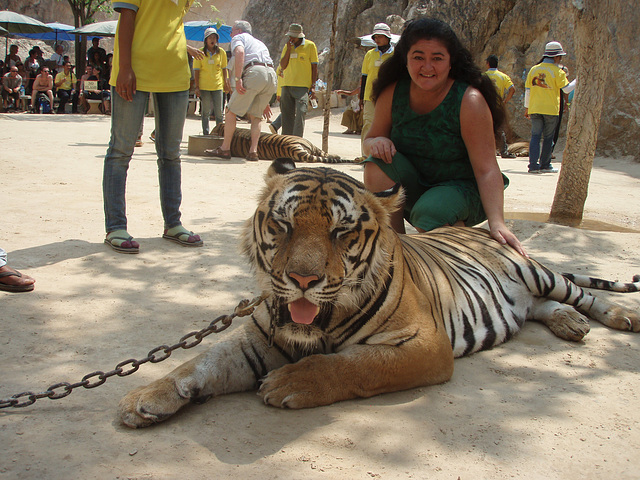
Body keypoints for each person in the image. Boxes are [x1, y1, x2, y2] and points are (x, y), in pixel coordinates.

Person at [362, 18, 526, 256]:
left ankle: (459, 247)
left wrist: (497, 223)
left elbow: (487, 169)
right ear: (405, 59)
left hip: (460, 190)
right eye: (418, 57)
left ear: (451, 62)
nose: (427, 67)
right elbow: (369, 141)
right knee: (375, 166)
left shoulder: (469, 101)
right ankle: (395, 247)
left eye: (437, 58)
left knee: (430, 212)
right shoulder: (393, 92)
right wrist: (376, 142)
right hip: (415, 187)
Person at [103, 0, 203, 254]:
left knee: (171, 154)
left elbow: (169, 24)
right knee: (121, 151)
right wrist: (124, 67)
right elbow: (127, 18)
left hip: (175, 74)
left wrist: (184, 49)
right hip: (135, 71)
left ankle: (173, 224)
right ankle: (116, 227)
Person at [208, 20, 277, 162]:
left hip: (255, 72)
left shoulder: (239, 38)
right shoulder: (259, 42)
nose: (231, 33)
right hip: (271, 75)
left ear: (239, 31)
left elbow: (240, 52)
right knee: (256, 115)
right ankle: (253, 151)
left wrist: (238, 78)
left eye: (232, 30)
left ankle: (225, 148)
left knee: (230, 110)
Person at [524, 41, 570, 174]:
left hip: (534, 108)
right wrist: (578, 80)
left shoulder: (534, 69)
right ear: (556, 57)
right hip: (550, 108)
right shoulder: (558, 71)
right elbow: (566, 90)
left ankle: (533, 166)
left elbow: (528, 90)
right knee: (548, 138)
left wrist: (527, 108)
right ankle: (545, 164)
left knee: (535, 136)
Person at [278, 23, 318, 137]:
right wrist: (288, 50)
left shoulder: (310, 46)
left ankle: (297, 140)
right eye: (290, 36)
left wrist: (313, 86)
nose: (291, 39)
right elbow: (283, 65)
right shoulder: (287, 47)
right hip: (287, 85)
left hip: (302, 87)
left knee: (301, 113)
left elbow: (314, 67)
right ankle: (286, 140)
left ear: (300, 36)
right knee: (286, 115)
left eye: (293, 37)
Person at [360, 23, 395, 151]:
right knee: (368, 124)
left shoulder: (395, 55)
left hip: (388, 95)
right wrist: (361, 97)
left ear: (388, 37)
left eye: (381, 36)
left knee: (388, 125)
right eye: (376, 36)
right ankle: (366, 154)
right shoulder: (369, 54)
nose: (378, 39)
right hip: (370, 95)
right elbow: (364, 76)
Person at [193, 27, 228, 135]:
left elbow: (224, 69)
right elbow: (197, 71)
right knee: (205, 112)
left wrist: (226, 83)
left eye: (214, 37)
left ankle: (219, 132)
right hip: (204, 86)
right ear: (206, 40)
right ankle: (206, 133)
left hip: (217, 86)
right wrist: (197, 87)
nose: (212, 40)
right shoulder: (200, 52)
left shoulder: (221, 52)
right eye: (210, 38)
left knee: (219, 112)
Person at [484, 54, 516, 158]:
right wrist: (505, 101)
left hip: (485, 105)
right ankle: (504, 151)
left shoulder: (483, 76)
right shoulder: (503, 76)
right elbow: (512, 89)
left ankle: (485, 150)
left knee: (484, 128)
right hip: (498, 106)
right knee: (500, 129)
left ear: (487, 64)